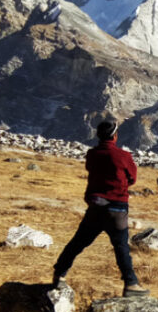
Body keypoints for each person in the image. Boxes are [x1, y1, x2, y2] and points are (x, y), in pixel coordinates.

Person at [52, 120, 149, 297]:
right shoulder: (123, 156)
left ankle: (59, 274)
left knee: (78, 243)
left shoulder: (92, 154)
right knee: (121, 248)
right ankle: (131, 284)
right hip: (117, 208)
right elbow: (132, 178)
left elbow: (91, 169)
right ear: (115, 136)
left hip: (95, 207)